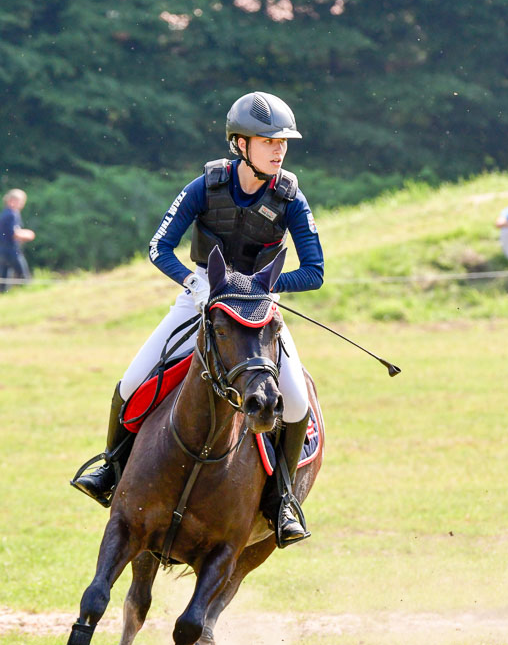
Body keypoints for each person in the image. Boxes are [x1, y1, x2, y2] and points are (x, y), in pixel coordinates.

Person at [72, 91, 324, 545]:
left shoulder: (290, 197)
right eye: (268, 141)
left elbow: (314, 271)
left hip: (256, 313)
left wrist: (263, 289)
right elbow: (158, 247)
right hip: (200, 302)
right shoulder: (204, 186)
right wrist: (193, 281)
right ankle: (110, 468)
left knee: (297, 401)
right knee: (130, 383)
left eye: (283, 141)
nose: (279, 149)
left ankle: (283, 500)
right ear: (240, 144)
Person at [0, 189, 34, 293]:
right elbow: (14, 233)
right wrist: (28, 234)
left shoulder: (5, 213)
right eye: (20, 201)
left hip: (3, 250)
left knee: (4, 279)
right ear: (12, 201)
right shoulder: (12, 214)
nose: (22, 204)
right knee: (24, 276)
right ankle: (30, 293)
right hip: (11, 250)